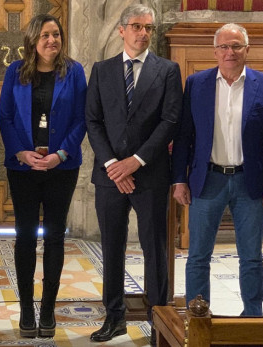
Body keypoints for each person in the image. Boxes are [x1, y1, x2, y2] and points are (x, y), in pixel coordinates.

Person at [85, 4, 182, 343]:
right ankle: (114, 317)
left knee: (154, 248)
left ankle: (160, 320)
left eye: (148, 28)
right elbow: (93, 121)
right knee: (112, 247)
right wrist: (113, 164)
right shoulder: (101, 70)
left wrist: (136, 160)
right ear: (121, 30)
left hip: (150, 174)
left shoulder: (168, 70)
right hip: (110, 176)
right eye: (137, 26)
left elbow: (170, 121)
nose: (143, 33)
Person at [172, 23, 263, 316]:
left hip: (250, 182)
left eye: (236, 46)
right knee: (197, 257)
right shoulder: (197, 83)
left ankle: (253, 316)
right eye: (223, 47)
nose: (229, 52)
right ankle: (198, 315)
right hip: (207, 180)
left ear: (247, 49)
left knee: (252, 258)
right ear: (215, 51)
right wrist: (179, 179)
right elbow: (184, 135)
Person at [0, 14, 86, 338]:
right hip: (23, 167)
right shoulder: (15, 72)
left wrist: (59, 154)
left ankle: (47, 310)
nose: (52, 40)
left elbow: (81, 118)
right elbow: (5, 117)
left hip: (61, 167)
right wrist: (22, 152)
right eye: (46, 35)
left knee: (54, 236)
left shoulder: (74, 72)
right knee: (24, 237)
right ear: (33, 40)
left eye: (57, 34)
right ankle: (25, 310)